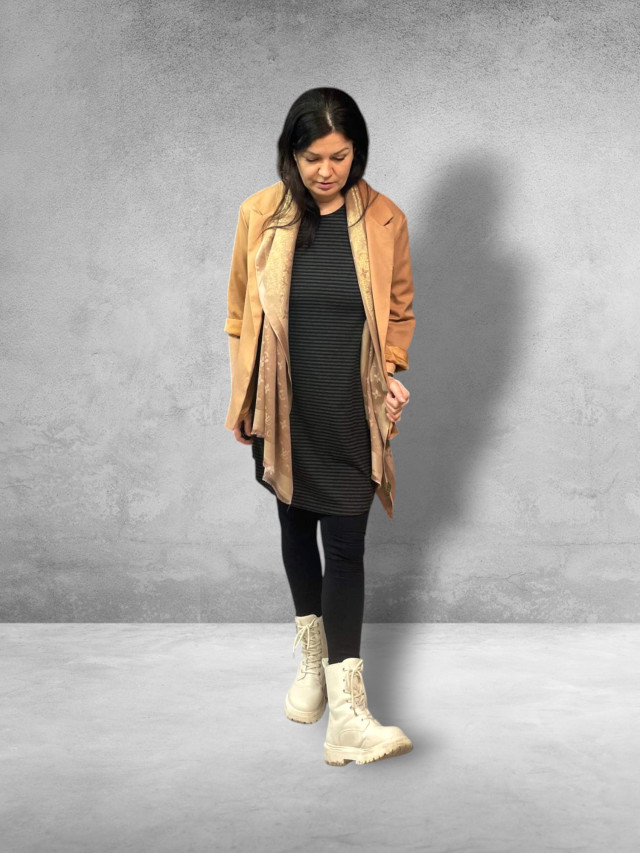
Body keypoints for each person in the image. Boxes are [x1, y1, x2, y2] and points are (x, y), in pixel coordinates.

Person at [224, 88, 416, 766]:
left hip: (350, 406)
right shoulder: (259, 214)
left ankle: (349, 714)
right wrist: (243, 396)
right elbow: (240, 315)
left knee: (348, 546)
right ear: (292, 154)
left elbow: (398, 311)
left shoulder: (385, 219)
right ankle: (313, 664)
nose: (327, 170)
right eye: (313, 158)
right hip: (281, 405)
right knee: (294, 525)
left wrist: (390, 370)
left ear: (357, 152)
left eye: (340, 156)